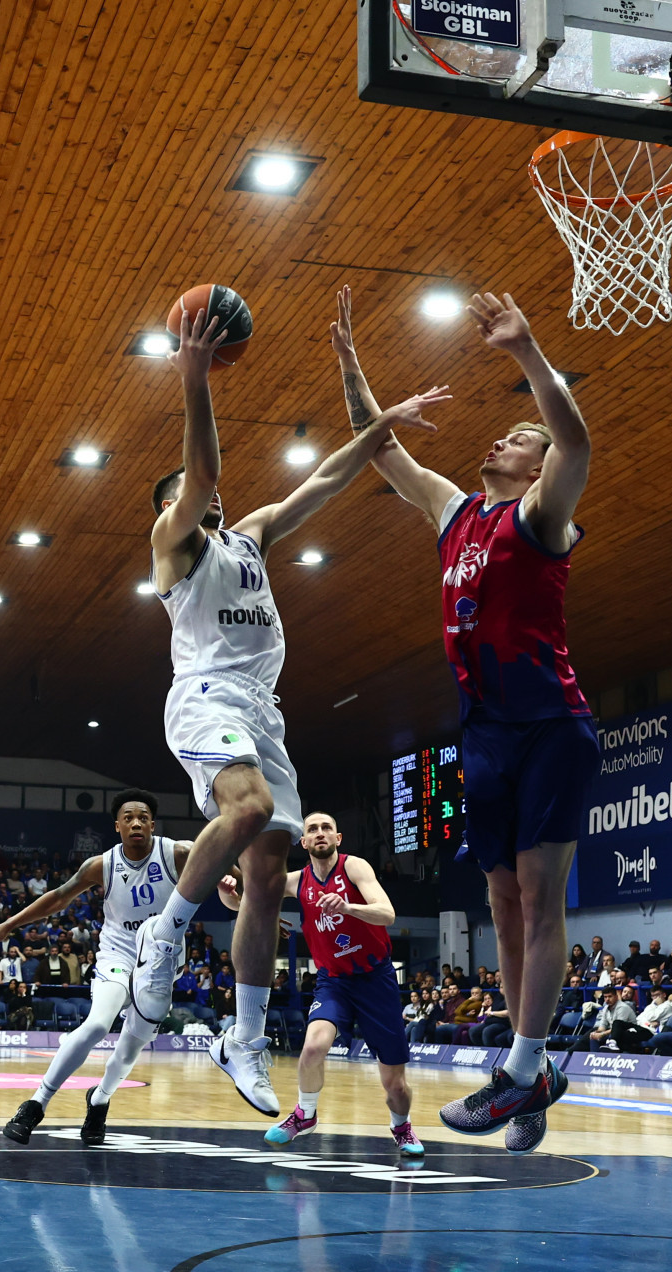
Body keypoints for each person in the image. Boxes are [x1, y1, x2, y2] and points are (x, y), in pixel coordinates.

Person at [128, 301, 451, 1118]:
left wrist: (383, 421)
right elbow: (199, 470)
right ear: (170, 508)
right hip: (205, 697)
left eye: (210, 496)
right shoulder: (175, 546)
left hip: (264, 714)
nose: (208, 498)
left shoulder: (251, 535)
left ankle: (241, 1038)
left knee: (271, 883)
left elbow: (328, 477)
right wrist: (194, 379)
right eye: (189, 495)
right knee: (255, 808)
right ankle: (163, 932)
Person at [338, 286, 597, 1155]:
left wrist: (526, 353)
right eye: (508, 434)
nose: (502, 439)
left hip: (549, 723)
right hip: (481, 732)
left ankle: (521, 1070)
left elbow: (576, 437)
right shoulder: (456, 513)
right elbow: (385, 455)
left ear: (535, 466)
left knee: (536, 891)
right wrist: (350, 367)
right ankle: (535, 1074)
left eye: (517, 438)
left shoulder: (542, 513)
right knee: (499, 900)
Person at [0, 791, 192, 1146]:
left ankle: (98, 1100)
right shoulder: (101, 865)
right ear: (117, 826)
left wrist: (254, 908)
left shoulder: (179, 853)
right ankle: (36, 1103)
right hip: (118, 955)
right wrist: (9, 924)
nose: (136, 823)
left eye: (143, 817)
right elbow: (57, 898)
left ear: (153, 824)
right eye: (128, 817)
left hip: (161, 960)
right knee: (98, 1023)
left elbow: (232, 879)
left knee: (131, 1046)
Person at [219, 812, 423, 1156]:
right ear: (304, 842)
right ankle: (304, 1115)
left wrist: (348, 907)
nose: (320, 833)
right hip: (334, 982)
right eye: (312, 829)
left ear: (338, 837)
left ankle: (401, 1127)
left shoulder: (354, 867)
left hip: (377, 980)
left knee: (396, 1085)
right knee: (313, 1048)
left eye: (326, 827)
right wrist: (230, 898)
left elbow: (386, 913)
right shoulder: (295, 880)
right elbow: (250, 906)